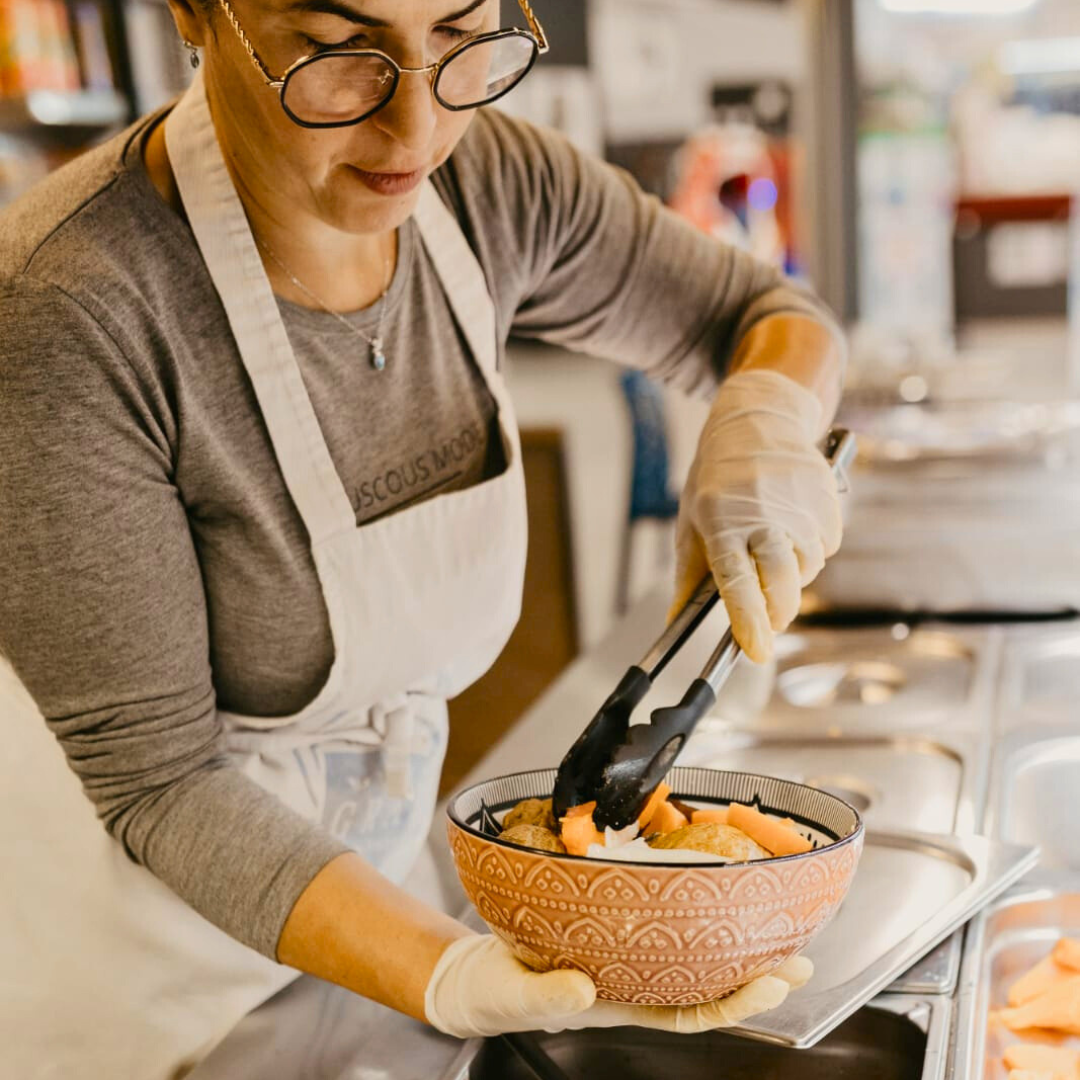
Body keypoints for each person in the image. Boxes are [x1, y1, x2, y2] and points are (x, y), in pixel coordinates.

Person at [0, 0, 845, 1075]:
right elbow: (161, 783)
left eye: (458, 34)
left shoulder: (492, 183)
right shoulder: (64, 308)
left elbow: (769, 316)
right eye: (335, 49)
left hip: (364, 934)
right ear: (197, 15)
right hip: (144, 996)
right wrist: (445, 974)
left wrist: (763, 423)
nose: (416, 131)